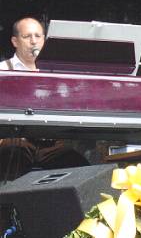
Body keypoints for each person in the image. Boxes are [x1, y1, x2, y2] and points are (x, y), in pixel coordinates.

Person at [0, 17, 90, 182]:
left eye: (38, 36)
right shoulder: (3, 70)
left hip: (48, 144)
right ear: (15, 41)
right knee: (14, 152)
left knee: (77, 165)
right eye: (27, 37)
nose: (33, 41)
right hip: (15, 140)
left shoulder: (54, 73)